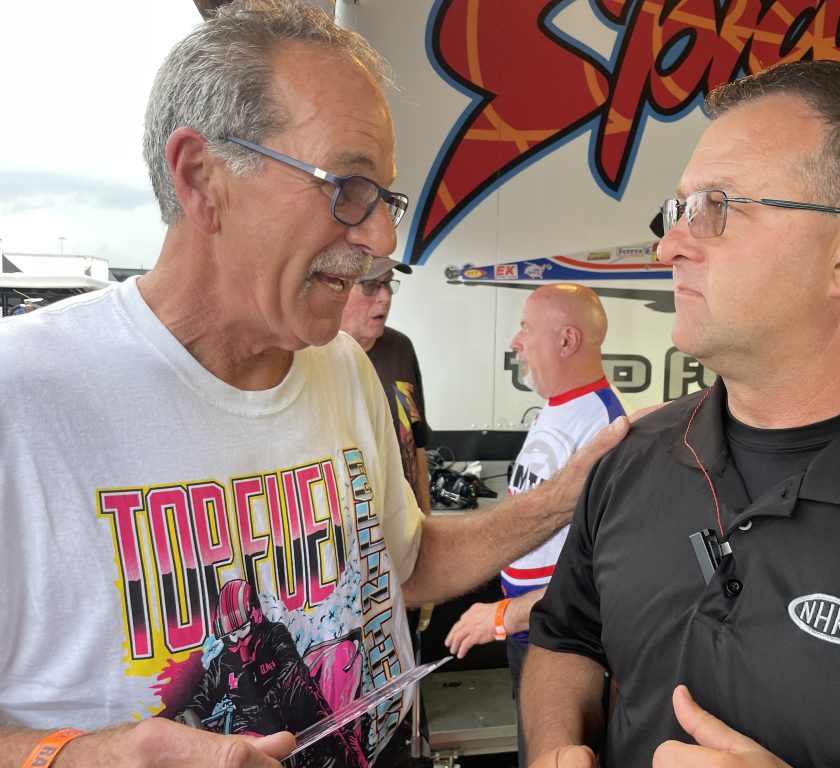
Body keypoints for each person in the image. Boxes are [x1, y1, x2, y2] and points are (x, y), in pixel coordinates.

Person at [0, 3, 632, 767]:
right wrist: (82, 757)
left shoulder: (339, 365)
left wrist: (572, 493)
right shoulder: (24, 397)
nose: (381, 240)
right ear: (202, 179)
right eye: (348, 188)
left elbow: (406, 562)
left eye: (383, 199)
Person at [521, 60, 840, 768]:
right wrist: (555, 746)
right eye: (677, 211)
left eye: (715, 208)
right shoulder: (633, 459)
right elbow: (566, 638)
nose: (669, 245)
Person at [444, 284, 628, 767]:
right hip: (529, 635)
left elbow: (604, 584)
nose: (515, 342)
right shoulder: (559, 409)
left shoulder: (604, 430)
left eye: (526, 328)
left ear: (567, 341)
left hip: (560, 650)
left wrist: (504, 616)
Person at [340, 256, 430, 517]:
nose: (385, 297)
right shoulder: (312, 355)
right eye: (371, 285)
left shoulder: (400, 348)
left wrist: (425, 518)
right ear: (338, 287)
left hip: (404, 526)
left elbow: (417, 442)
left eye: (388, 284)